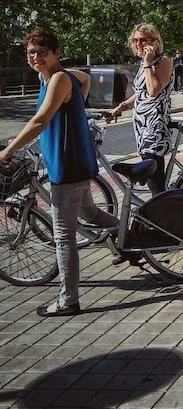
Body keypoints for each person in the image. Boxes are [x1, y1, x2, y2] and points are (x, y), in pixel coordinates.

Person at [0, 30, 119, 317]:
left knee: (63, 235)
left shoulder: (59, 79)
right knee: (90, 214)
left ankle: (69, 300)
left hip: (67, 166)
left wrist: (8, 151)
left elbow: (40, 119)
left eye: (42, 52)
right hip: (74, 162)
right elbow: (86, 78)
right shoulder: (59, 77)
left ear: (56, 53)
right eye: (31, 53)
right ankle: (132, 234)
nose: (35, 58)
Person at [107, 24, 173, 195]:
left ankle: (167, 219)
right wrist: (121, 107)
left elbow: (153, 91)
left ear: (154, 42)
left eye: (143, 40)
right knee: (155, 182)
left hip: (154, 128)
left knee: (155, 184)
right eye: (135, 40)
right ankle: (170, 217)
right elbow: (140, 94)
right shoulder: (146, 64)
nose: (138, 44)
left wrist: (147, 63)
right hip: (142, 128)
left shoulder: (163, 61)